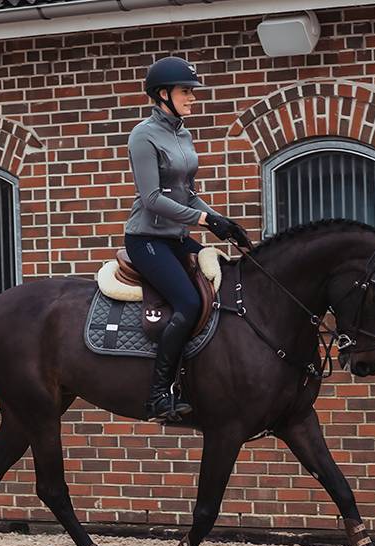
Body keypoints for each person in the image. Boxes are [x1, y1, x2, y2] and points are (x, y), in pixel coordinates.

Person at [124, 56, 251, 423]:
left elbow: (185, 192)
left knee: (227, 279)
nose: (192, 98)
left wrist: (220, 221)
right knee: (189, 302)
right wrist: (203, 218)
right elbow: (152, 199)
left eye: (192, 92)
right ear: (162, 94)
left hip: (176, 236)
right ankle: (159, 394)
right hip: (147, 239)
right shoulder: (143, 135)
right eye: (186, 91)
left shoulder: (182, 133)